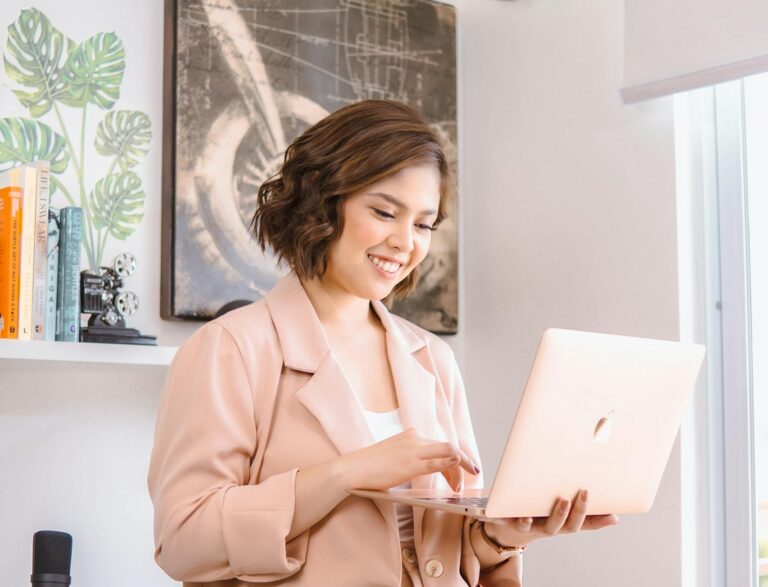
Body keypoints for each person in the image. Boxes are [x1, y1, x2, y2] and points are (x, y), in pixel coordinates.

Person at [147, 100, 618, 587]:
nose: (405, 242)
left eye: (422, 224)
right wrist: (343, 475)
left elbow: (442, 551)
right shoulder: (230, 349)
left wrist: (502, 536)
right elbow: (183, 539)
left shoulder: (432, 358)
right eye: (384, 212)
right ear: (321, 203)